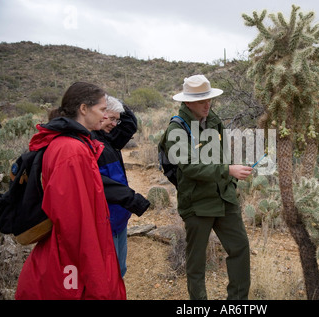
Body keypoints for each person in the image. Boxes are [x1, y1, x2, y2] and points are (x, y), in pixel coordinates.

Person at [15, 82, 126, 300]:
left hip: (66, 258)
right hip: (70, 264)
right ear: (83, 109)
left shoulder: (72, 144)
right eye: (102, 110)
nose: (105, 116)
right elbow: (76, 227)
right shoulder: (71, 151)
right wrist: (98, 283)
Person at [163, 75, 253, 300]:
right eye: (201, 100)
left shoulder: (213, 120)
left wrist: (230, 181)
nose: (207, 104)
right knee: (196, 262)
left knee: (240, 249)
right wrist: (228, 171)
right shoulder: (177, 128)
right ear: (187, 102)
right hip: (197, 203)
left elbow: (222, 154)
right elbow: (190, 167)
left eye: (209, 98)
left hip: (224, 198)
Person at [91, 96, 150, 278]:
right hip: (103, 221)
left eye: (118, 119)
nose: (116, 124)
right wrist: (131, 199)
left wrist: (111, 102)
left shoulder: (108, 139)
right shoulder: (87, 142)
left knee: (119, 271)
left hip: (118, 217)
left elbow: (129, 124)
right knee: (108, 275)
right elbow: (95, 181)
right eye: (112, 118)